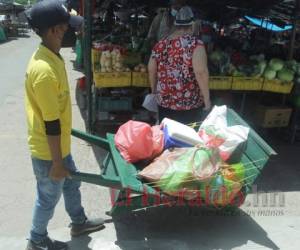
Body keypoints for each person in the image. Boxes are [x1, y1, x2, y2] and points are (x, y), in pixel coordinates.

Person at [25, 1, 104, 250]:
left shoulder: (52, 56)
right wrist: (58, 163)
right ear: (54, 31)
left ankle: (79, 221)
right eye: (69, 28)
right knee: (48, 198)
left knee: (71, 182)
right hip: (49, 153)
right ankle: (36, 240)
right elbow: (50, 124)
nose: (75, 32)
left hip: (59, 146)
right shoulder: (44, 71)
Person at [148, 6, 211, 124]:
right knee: (187, 139)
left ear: (175, 25)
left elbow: (151, 70)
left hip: (164, 102)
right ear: (193, 25)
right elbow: (200, 72)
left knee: (167, 137)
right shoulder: (196, 45)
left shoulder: (160, 44)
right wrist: (207, 100)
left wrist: (153, 92)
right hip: (189, 104)